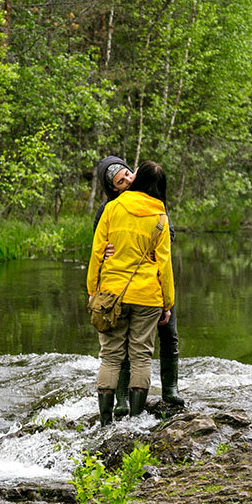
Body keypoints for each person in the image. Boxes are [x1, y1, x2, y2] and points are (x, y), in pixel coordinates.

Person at [92, 156, 185, 415]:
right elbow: (97, 244)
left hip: (155, 281)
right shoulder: (108, 208)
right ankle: (123, 402)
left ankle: (170, 390)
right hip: (124, 288)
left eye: (128, 174)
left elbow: (169, 235)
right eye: (121, 181)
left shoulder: (155, 201)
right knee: (122, 349)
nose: (128, 180)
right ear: (113, 188)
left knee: (169, 335)